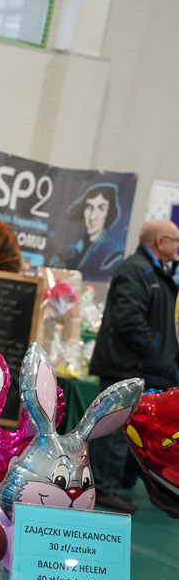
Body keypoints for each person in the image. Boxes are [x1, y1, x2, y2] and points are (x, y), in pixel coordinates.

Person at [88, 219, 179, 512]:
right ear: (160, 242)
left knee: (128, 433)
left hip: (144, 366)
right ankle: (101, 489)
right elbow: (128, 320)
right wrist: (155, 353)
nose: (178, 247)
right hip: (126, 367)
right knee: (113, 431)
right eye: (175, 240)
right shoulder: (136, 270)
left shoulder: (157, 272)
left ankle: (111, 485)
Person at [51, 183, 127, 280]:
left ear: (109, 212)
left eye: (101, 208)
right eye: (89, 207)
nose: (92, 216)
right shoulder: (73, 245)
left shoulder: (112, 254)